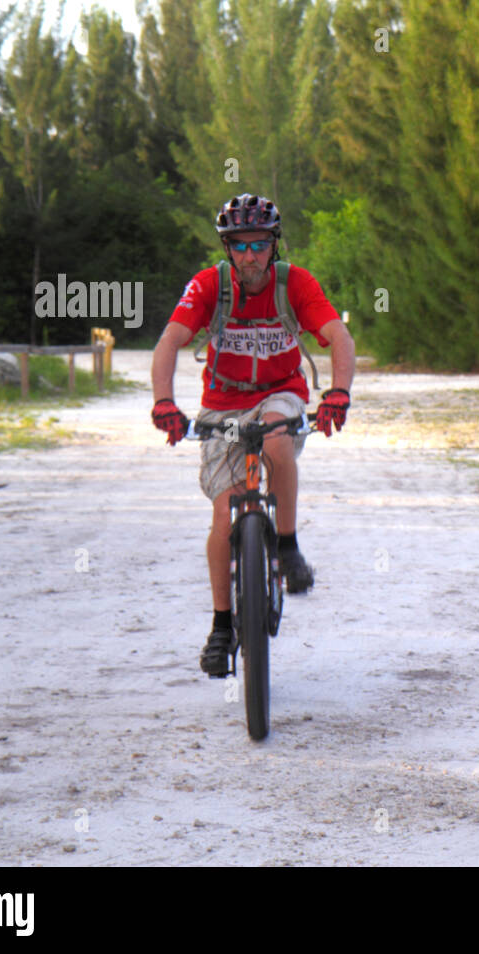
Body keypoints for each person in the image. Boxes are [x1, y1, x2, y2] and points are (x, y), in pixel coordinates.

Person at [149, 193, 355, 677]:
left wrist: (338, 393)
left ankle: (286, 545)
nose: (249, 256)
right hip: (223, 401)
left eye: (259, 245)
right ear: (226, 249)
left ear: (273, 245)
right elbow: (170, 341)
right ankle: (222, 626)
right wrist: (164, 401)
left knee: (280, 443)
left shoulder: (295, 283)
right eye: (238, 246)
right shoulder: (209, 286)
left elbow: (339, 336)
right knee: (224, 514)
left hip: (281, 390)